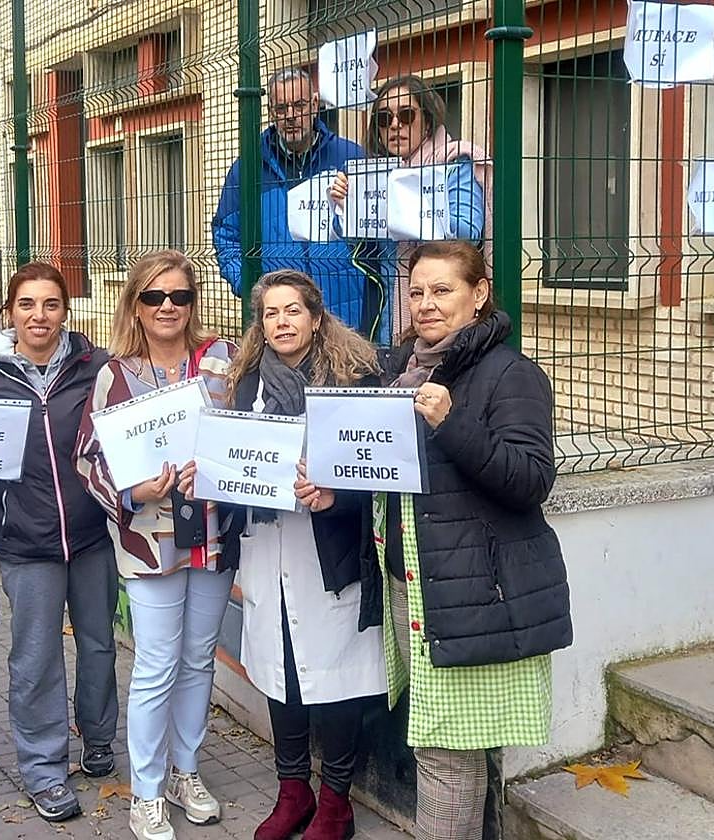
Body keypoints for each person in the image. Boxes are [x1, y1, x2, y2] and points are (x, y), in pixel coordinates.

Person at [365, 241, 571, 840]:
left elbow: (531, 480)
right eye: (418, 291)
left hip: (470, 596)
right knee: (455, 749)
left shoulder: (510, 373)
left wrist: (451, 423)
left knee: (446, 755)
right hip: (414, 585)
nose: (426, 304)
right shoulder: (400, 370)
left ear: (479, 295)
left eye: (443, 290)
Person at [205, 270, 387, 840]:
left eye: (293, 311)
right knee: (281, 671)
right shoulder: (243, 385)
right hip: (269, 547)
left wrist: (336, 495)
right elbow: (230, 460)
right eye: (271, 314)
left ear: (315, 317)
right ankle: (293, 792)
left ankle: (336, 801)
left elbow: (378, 468)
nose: (282, 322)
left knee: (334, 676)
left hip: (328, 551)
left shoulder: (353, 379)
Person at [76, 250, 237, 840]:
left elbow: (251, 431)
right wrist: (132, 488)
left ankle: (184, 771)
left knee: (198, 659)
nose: (168, 306)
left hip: (215, 534)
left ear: (193, 303)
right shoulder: (115, 376)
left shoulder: (223, 360)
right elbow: (89, 460)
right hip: (150, 540)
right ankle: (145, 791)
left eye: (179, 296)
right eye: (154, 297)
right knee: (155, 665)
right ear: (136, 306)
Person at [0, 262, 118, 822]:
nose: (40, 316)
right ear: (9, 311)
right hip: (24, 538)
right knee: (35, 658)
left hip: (91, 533)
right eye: (27, 304)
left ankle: (99, 738)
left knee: (100, 645)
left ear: (66, 309)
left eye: (51, 304)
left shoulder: (94, 366)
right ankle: (44, 768)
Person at [212, 68, 384, 340]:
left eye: (299, 105)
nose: (291, 115)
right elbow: (226, 235)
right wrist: (250, 285)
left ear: (315, 105)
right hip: (281, 320)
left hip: (343, 311)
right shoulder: (247, 169)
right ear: (271, 111)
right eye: (281, 108)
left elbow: (375, 229)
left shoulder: (352, 157)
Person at [331, 75, 492, 340]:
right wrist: (345, 208)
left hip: (446, 316)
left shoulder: (453, 162)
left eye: (406, 115)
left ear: (427, 120)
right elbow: (365, 248)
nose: (395, 125)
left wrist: (406, 204)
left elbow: (467, 231)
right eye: (384, 119)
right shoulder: (376, 174)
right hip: (389, 315)